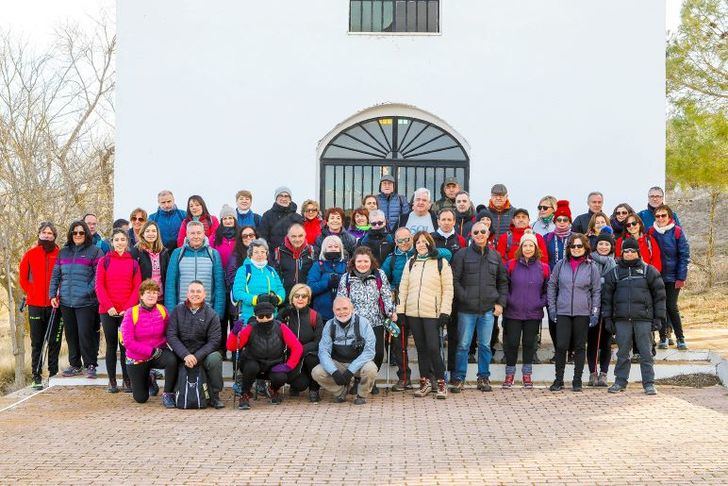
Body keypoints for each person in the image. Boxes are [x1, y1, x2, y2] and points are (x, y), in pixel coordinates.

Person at [602, 238, 667, 395]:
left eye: (632, 251)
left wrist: (659, 318)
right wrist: (608, 318)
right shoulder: (614, 273)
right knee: (623, 352)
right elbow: (607, 298)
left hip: (643, 319)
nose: (629, 253)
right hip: (622, 319)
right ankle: (620, 382)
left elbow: (660, 296)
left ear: (638, 252)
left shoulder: (649, 271)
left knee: (646, 352)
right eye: (626, 251)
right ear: (621, 253)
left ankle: (649, 383)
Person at [450, 221, 508, 393]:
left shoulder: (495, 256)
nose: (480, 235)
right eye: (476, 232)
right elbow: (454, 280)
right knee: (463, 345)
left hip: (488, 311)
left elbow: (503, 282)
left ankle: (483, 378)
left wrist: (500, 304)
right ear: (471, 235)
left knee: (484, 345)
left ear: (488, 233)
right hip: (466, 310)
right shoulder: (462, 255)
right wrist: (465, 297)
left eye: (483, 231)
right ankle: (459, 378)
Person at [396, 231, 453, 398]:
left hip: (432, 312)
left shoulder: (440, 262)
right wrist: (401, 311)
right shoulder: (411, 262)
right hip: (413, 312)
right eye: (418, 242)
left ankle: (441, 383)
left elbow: (448, 289)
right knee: (421, 349)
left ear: (430, 243)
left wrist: (445, 311)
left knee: (433, 348)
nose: (421, 244)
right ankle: (425, 381)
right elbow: (403, 288)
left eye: (424, 241)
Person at [337, 246, 396, 395]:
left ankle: (371, 379)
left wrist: (391, 312)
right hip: (354, 323)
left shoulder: (379, 275)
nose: (362, 264)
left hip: (375, 321)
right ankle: (358, 380)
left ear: (371, 262)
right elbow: (341, 299)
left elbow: (386, 295)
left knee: (377, 353)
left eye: (365, 261)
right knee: (357, 353)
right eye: (359, 261)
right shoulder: (346, 278)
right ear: (354, 262)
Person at [547, 233, 601, 392]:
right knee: (561, 346)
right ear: (568, 248)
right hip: (562, 311)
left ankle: (577, 380)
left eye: (579, 246)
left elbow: (596, 291)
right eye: (573, 246)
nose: (576, 249)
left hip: (583, 312)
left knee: (579, 346)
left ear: (585, 248)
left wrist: (595, 312)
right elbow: (551, 286)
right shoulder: (560, 265)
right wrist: (552, 308)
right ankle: (558, 380)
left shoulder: (592, 267)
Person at [49, 221, 103, 378]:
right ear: (70, 234)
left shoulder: (95, 251)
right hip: (66, 301)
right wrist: (52, 295)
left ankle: (90, 364)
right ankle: (75, 364)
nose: (78, 235)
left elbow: (99, 276)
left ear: (86, 234)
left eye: (81, 232)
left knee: (85, 333)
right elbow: (56, 275)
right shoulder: (63, 252)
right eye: (75, 232)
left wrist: (87, 291)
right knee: (71, 334)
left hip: (86, 302)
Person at [227, 301, 303, 410]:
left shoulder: (281, 327)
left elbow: (297, 347)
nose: (265, 319)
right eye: (261, 316)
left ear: (273, 315)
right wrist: (234, 333)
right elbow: (232, 347)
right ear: (256, 317)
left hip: (274, 363)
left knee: (281, 377)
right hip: (253, 361)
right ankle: (245, 393)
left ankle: (273, 389)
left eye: (268, 316)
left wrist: (288, 365)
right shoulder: (250, 328)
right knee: (251, 367)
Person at [95, 229, 142, 393]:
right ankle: (112, 381)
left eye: (123, 239)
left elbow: (137, 287)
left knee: (125, 346)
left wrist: (127, 308)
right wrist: (109, 307)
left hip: (126, 312)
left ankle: (127, 380)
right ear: (112, 242)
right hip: (107, 311)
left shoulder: (133, 263)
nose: (120, 243)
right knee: (111, 345)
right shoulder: (104, 261)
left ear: (127, 242)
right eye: (117, 240)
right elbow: (99, 286)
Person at [166, 281, 225, 408]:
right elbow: (171, 335)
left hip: (202, 355)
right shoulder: (177, 311)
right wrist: (185, 355)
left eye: (198, 291)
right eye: (192, 291)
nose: (195, 294)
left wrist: (197, 356)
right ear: (187, 294)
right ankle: (170, 393)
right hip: (182, 354)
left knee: (215, 358)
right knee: (169, 359)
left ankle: (215, 395)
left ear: (205, 294)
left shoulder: (212, 314)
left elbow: (214, 341)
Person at [121, 279, 178, 408]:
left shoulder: (162, 310)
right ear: (141, 295)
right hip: (137, 357)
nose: (152, 295)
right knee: (141, 398)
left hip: (158, 353)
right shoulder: (131, 313)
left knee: (172, 360)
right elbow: (128, 342)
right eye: (148, 292)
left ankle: (168, 393)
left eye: (154, 292)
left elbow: (169, 333)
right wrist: (150, 351)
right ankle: (149, 378)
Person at [502, 234, 549, 389]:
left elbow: (548, 290)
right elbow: (504, 286)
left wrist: (540, 303)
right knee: (512, 343)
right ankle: (509, 375)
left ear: (536, 248)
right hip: (513, 312)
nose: (528, 249)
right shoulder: (511, 265)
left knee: (529, 344)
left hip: (533, 313)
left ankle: (527, 375)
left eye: (531, 246)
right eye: (525, 245)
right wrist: (510, 301)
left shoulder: (544, 267)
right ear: (520, 247)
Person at [312, 296, 378, 405]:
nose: (342, 312)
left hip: (359, 364)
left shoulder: (363, 323)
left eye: (345, 308)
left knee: (371, 369)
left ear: (352, 309)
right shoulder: (329, 325)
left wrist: (351, 370)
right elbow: (323, 352)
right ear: (333, 310)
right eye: (338, 309)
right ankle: (341, 392)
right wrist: (334, 371)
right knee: (317, 372)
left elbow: (369, 351)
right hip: (339, 364)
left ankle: (361, 395)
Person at [20, 222, 61, 389]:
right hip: (35, 305)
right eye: (44, 232)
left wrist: (58, 295)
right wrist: (33, 292)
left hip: (55, 305)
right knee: (36, 342)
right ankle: (36, 376)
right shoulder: (30, 254)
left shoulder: (60, 254)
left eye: (50, 233)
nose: (47, 235)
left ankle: (53, 374)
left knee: (54, 341)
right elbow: (23, 279)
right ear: (39, 234)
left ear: (54, 236)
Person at [648, 204, 690, 350]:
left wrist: (681, 277)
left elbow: (684, 255)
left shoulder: (677, 232)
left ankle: (680, 338)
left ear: (669, 217)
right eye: (658, 216)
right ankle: (663, 337)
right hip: (657, 276)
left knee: (671, 306)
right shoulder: (651, 231)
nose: (660, 218)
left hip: (673, 277)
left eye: (663, 215)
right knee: (660, 307)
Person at [165, 221, 226, 317]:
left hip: (207, 310)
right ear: (187, 234)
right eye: (192, 233)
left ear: (204, 234)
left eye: (199, 233)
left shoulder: (213, 254)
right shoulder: (177, 253)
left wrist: (218, 314)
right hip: (182, 310)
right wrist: (171, 313)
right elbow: (170, 285)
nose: (196, 236)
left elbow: (219, 286)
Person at [278, 284, 323, 402]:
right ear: (292, 298)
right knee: (300, 384)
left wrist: (300, 349)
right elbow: (275, 333)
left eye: (304, 296)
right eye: (297, 296)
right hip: (290, 357)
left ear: (308, 299)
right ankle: (296, 384)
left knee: (313, 359)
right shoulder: (286, 314)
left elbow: (319, 341)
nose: (300, 299)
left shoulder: (315, 316)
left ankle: (314, 389)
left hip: (308, 354)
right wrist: (280, 315)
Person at [587, 230, 617, 387]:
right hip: (591, 305)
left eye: (607, 244)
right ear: (595, 245)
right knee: (592, 341)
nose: (604, 247)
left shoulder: (615, 263)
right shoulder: (589, 261)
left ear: (611, 246)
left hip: (608, 306)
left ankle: (604, 373)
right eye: (601, 244)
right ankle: (593, 373)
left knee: (606, 341)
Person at [231, 238, 286, 324]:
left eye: (262, 252)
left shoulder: (271, 270)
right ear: (250, 254)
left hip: (271, 317)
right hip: (250, 318)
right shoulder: (244, 270)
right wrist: (255, 299)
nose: (260, 255)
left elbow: (280, 289)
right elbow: (237, 292)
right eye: (256, 252)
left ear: (266, 254)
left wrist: (277, 299)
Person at [307, 235, 348, 322]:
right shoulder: (318, 265)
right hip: (322, 314)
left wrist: (340, 281)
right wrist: (327, 283)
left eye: (336, 246)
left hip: (343, 313)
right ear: (324, 249)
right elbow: (310, 287)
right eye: (330, 246)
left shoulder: (346, 266)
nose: (333, 248)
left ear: (340, 249)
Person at [271, 223, 316, 296]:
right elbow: (275, 277)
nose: (297, 239)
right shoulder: (278, 252)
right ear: (288, 236)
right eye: (293, 236)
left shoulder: (312, 251)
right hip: (285, 298)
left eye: (300, 236)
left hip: (306, 298)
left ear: (305, 235)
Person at [131, 221, 170, 302]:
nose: (151, 233)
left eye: (153, 231)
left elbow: (167, 276)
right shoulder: (136, 251)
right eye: (147, 231)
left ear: (157, 234)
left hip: (160, 298)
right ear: (142, 234)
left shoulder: (164, 252)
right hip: (143, 298)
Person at [211, 205, 239, 271]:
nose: (228, 221)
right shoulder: (214, 236)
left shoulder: (241, 235)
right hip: (220, 272)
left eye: (230, 218)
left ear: (235, 220)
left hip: (236, 272)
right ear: (221, 221)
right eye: (225, 219)